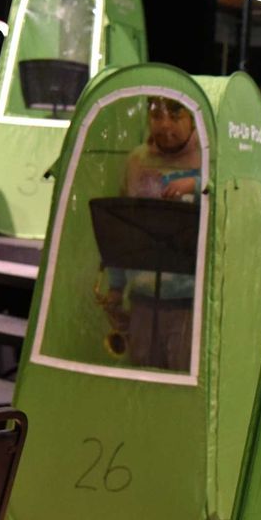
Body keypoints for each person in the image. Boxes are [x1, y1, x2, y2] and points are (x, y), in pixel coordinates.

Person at [97, 96, 201, 371]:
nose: (165, 125)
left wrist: (198, 184)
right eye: (156, 116)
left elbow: (228, 210)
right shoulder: (137, 161)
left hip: (188, 302)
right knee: (141, 377)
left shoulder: (209, 162)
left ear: (192, 120)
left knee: (180, 381)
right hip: (142, 299)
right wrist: (117, 286)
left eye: (175, 117)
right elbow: (123, 227)